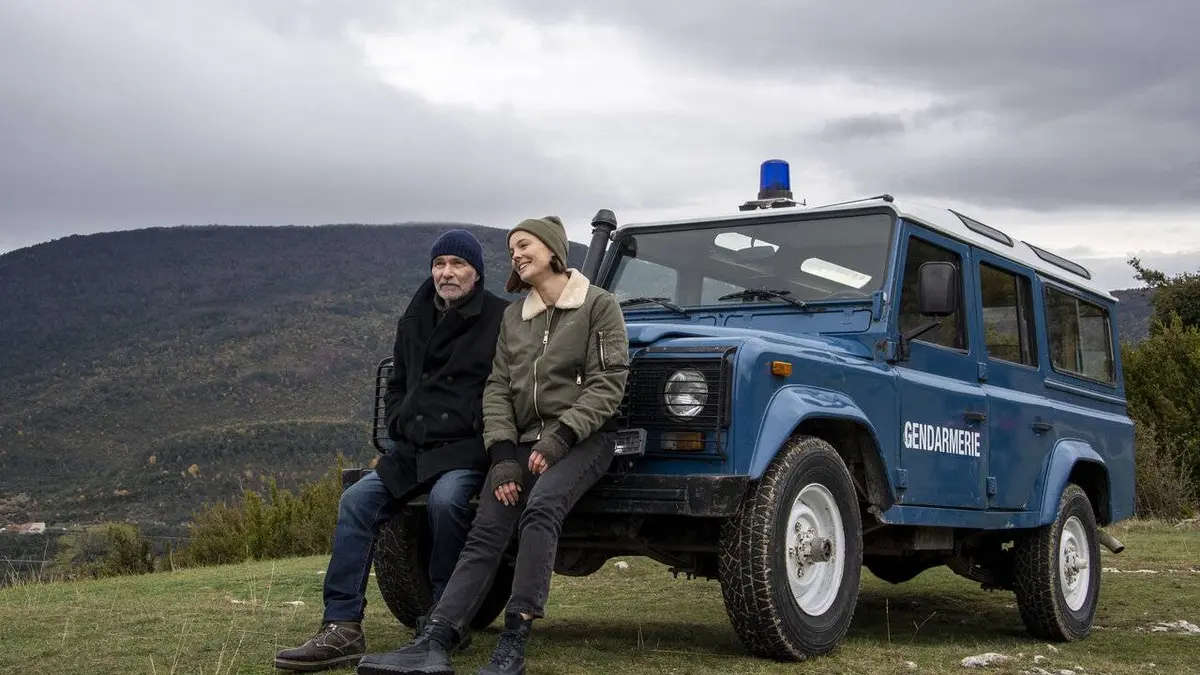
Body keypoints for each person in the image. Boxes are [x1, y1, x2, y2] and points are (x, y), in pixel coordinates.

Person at [356, 216, 631, 675]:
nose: (517, 255)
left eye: (524, 246)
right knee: (488, 522)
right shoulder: (514, 317)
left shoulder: (599, 307)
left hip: (584, 438)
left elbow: (608, 384)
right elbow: (497, 390)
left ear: (552, 250)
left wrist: (561, 437)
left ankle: (514, 640)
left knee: (540, 507)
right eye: (512, 249)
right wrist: (503, 458)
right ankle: (437, 639)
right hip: (522, 443)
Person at [275, 229, 509, 672]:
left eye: (457, 264)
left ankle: (445, 618)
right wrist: (400, 417)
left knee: (447, 500)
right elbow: (399, 380)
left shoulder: (500, 317)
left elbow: (507, 387)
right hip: (414, 447)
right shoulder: (415, 317)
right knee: (356, 501)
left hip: (466, 449)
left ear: (477, 272)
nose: (446, 273)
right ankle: (341, 626)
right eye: (439, 265)